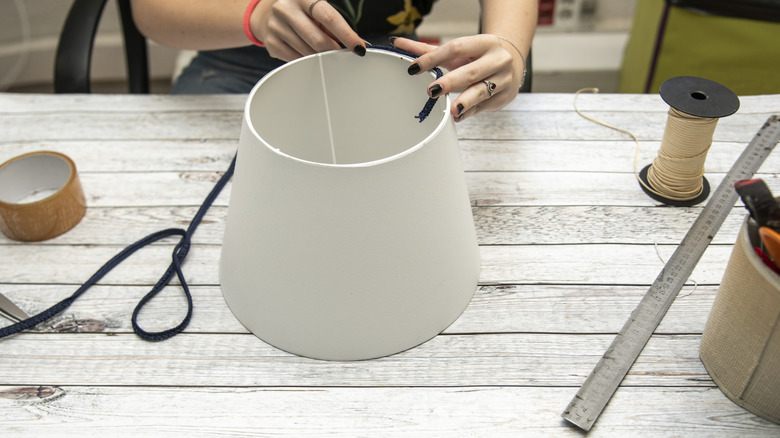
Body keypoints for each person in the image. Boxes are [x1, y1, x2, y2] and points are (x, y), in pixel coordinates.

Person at [130, 0, 537, 122]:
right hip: (239, 66)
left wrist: (509, 46)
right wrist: (256, 17)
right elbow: (150, 11)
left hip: (388, 63)